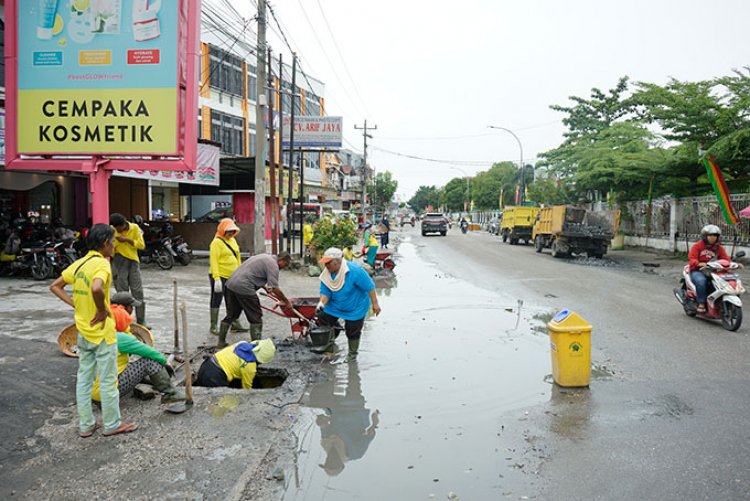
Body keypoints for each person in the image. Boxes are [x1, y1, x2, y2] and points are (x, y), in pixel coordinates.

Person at [50, 224, 137, 438]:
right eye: (113, 240)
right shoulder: (102, 264)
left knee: (84, 379)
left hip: (83, 331)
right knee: (108, 380)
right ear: (105, 243)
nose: (115, 244)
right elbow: (97, 288)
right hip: (102, 333)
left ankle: (86, 425)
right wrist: (100, 308)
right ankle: (111, 424)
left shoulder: (79, 264)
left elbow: (55, 286)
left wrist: (76, 304)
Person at [91, 292, 185, 404]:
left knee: (129, 364)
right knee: (150, 362)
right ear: (125, 309)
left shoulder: (98, 332)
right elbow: (151, 353)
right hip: (106, 393)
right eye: (131, 308)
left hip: (93, 389)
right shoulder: (121, 339)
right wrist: (165, 363)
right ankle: (170, 393)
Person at [316, 247, 382, 362]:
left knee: (352, 330)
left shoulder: (355, 271)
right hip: (335, 305)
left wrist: (375, 304)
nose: (326, 266)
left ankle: (352, 356)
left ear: (337, 262)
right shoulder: (326, 274)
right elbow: (325, 293)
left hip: (355, 306)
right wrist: (321, 304)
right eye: (325, 263)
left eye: (328, 263)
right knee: (323, 318)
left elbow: (370, 287)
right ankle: (329, 349)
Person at [218, 252, 293, 347]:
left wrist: (264, 287)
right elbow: (274, 288)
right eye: (285, 264)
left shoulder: (264, 257)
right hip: (244, 286)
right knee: (256, 317)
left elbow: (252, 272)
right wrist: (287, 302)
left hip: (230, 284)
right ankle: (256, 346)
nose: (284, 267)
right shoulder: (273, 265)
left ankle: (221, 342)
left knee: (232, 314)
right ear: (281, 260)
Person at [208, 219, 248, 335]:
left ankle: (235, 323)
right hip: (219, 276)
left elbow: (237, 256)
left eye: (232, 231)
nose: (231, 234)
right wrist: (216, 278)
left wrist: (240, 271)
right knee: (217, 299)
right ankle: (213, 326)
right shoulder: (216, 243)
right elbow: (213, 261)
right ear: (222, 230)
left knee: (232, 300)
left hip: (233, 276)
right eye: (228, 231)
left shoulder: (233, 241)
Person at [688, 224, 739, 313]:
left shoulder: (719, 248)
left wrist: (734, 264)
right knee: (701, 281)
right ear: (705, 236)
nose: (712, 238)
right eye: (710, 235)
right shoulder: (697, 246)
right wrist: (699, 263)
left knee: (728, 280)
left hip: (713, 271)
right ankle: (701, 303)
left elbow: (726, 259)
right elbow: (692, 258)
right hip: (697, 270)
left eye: (715, 235)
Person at [109, 213, 146, 325]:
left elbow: (141, 245)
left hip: (133, 262)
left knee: (137, 292)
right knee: (122, 294)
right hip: (118, 262)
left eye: (118, 228)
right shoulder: (112, 230)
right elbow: (110, 246)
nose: (117, 230)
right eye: (115, 228)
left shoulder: (134, 228)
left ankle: (141, 321)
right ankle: (123, 321)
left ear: (124, 223)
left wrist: (126, 240)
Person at [194, 339, 276, 389]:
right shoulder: (250, 366)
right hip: (215, 376)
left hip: (206, 365)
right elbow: (247, 388)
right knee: (219, 402)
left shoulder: (242, 344)